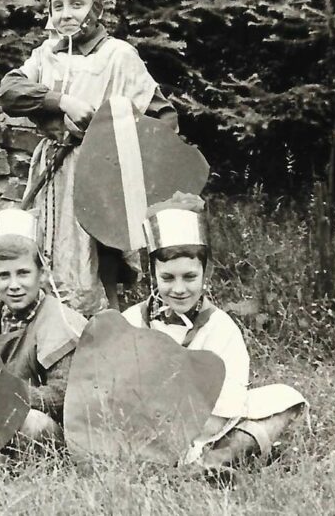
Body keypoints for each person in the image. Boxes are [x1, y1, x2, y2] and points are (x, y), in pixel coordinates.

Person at [0, 0, 178, 314]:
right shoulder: (45, 56)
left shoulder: (118, 56)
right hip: (52, 172)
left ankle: (105, 328)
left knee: (97, 259)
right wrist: (62, 102)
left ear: (96, 8)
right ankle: (48, 328)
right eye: (58, 6)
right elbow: (9, 91)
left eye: (77, 5)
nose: (67, 14)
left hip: (100, 173)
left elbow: (163, 120)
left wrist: (109, 134)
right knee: (47, 252)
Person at [122, 193, 307, 471]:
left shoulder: (220, 327)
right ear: (153, 275)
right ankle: (211, 462)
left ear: (205, 273)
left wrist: (190, 428)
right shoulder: (131, 321)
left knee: (284, 397)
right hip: (144, 432)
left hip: (205, 430)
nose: (179, 289)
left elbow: (228, 403)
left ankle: (208, 465)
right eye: (167, 278)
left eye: (190, 277)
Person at [0, 208, 87, 446]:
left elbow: (62, 396)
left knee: (33, 423)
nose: (14, 285)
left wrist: (7, 394)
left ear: (42, 274)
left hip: (42, 425)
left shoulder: (60, 321)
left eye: (23, 273)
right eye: (4, 275)